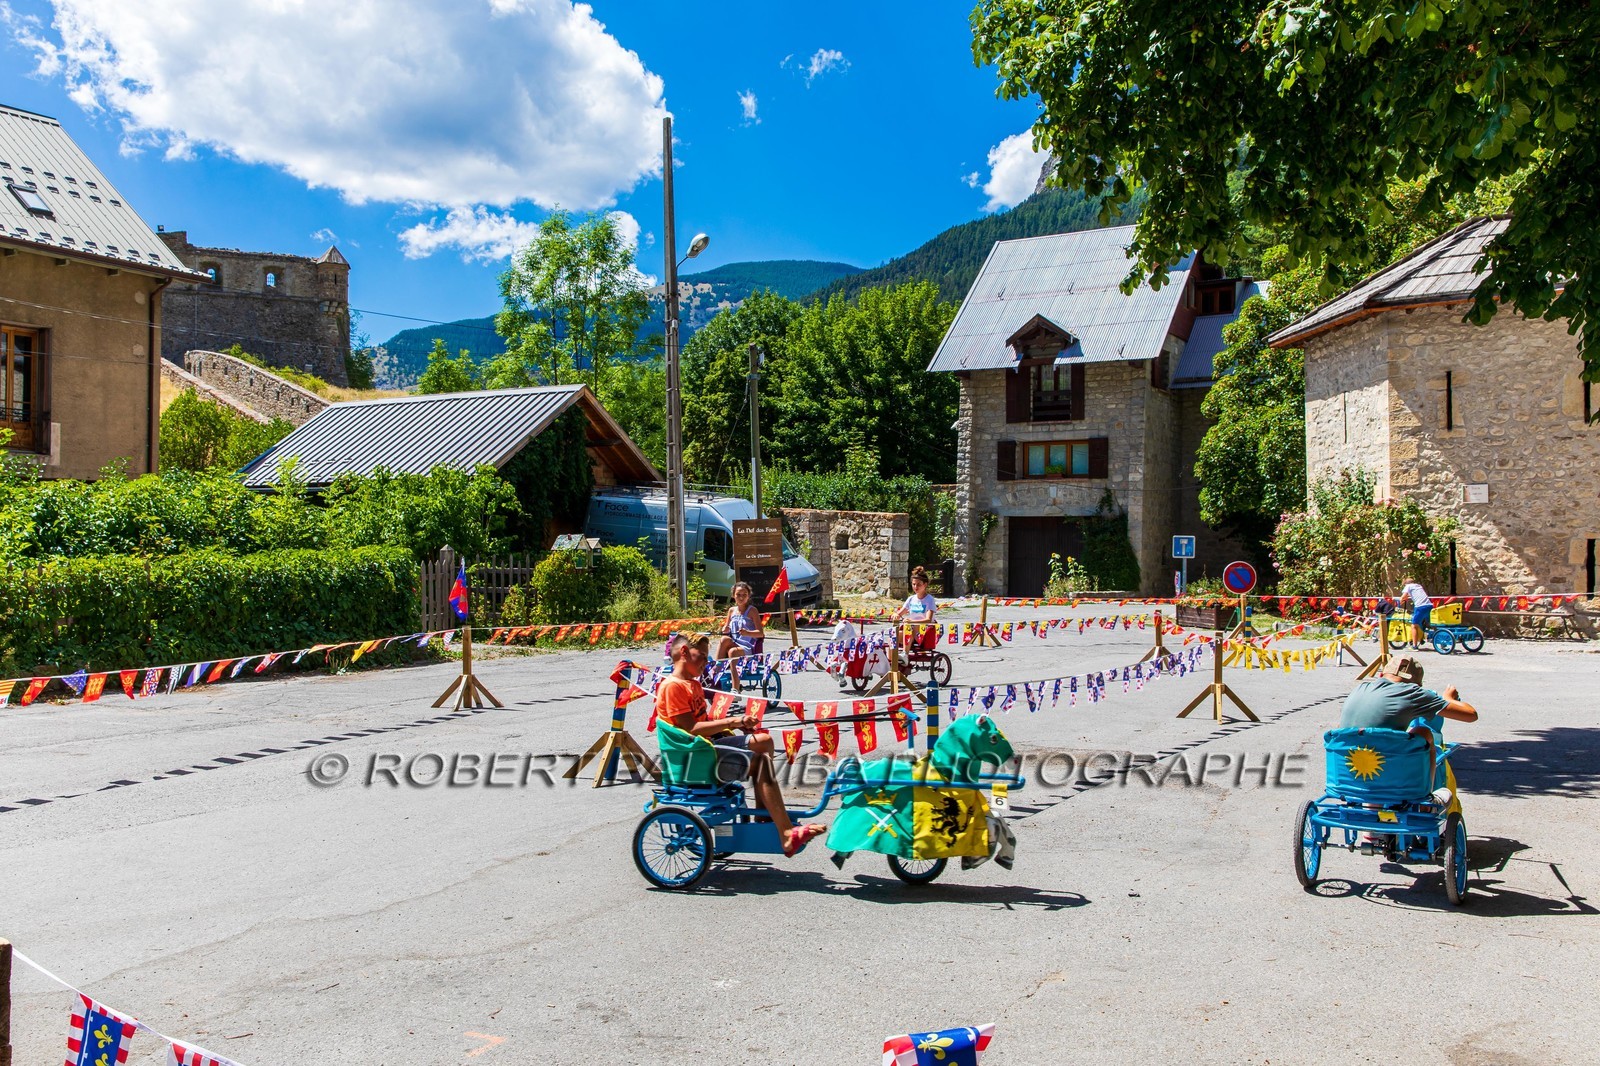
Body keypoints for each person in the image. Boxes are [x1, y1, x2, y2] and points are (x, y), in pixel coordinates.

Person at [656, 632, 825, 857]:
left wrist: (735, 726)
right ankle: (786, 834)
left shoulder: (692, 685)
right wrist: (733, 720)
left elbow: (702, 723)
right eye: (703, 657)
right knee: (761, 764)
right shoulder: (673, 686)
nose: (707, 662)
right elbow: (690, 729)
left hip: (703, 748)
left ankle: (763, 812)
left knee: (764, 741)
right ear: (684, 652)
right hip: (695, 759)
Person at [1338, 655, 1478, 815]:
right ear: (1417, 685)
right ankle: (1426, 799)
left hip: (1348, 772)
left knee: (1369, 743)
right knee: (1423, 732)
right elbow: (1471, 715)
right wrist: (1447, 699)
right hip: (1388, 775)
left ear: (1381, 675)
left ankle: (1371, 817)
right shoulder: (1413, 693)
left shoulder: (1360, 689)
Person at [892, 565, 939, 654]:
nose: (915, 587)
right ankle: (891, 662)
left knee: (910, 626)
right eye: (913, 584)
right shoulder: (911, 599)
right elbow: (900, 613)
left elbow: (928, 620)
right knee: (893, 636)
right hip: (910, 630)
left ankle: (905, 655)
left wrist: (911, 622)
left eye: (918, 584)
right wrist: (896, 615)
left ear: (925, 585)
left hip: (924, 633)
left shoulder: (929, 600)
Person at [716, 581, 765, 665]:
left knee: (733, 652)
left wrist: (747, 633)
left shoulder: (752, 610)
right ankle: (716, 669)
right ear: (733, 595)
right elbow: (726, 629)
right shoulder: (731, 610)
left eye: (744, 595)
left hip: (747, 648)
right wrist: (725, 629)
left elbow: (760, 633)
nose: (741, 598)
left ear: (748, 596)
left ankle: (734, 676)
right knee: (724, 639)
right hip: (734, 643)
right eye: (738, 595)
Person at [1396, 576, 1434, 648]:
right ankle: (1425, 636)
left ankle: (1414, 645)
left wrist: (1398, 604)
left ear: (1406, 584)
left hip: (1420, 606)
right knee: (1429, 623)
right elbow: (1409, 596)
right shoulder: (1418, 586)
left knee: (1414, 625)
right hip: (1429, 605)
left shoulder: (1408, 586)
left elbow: (1404, 596)